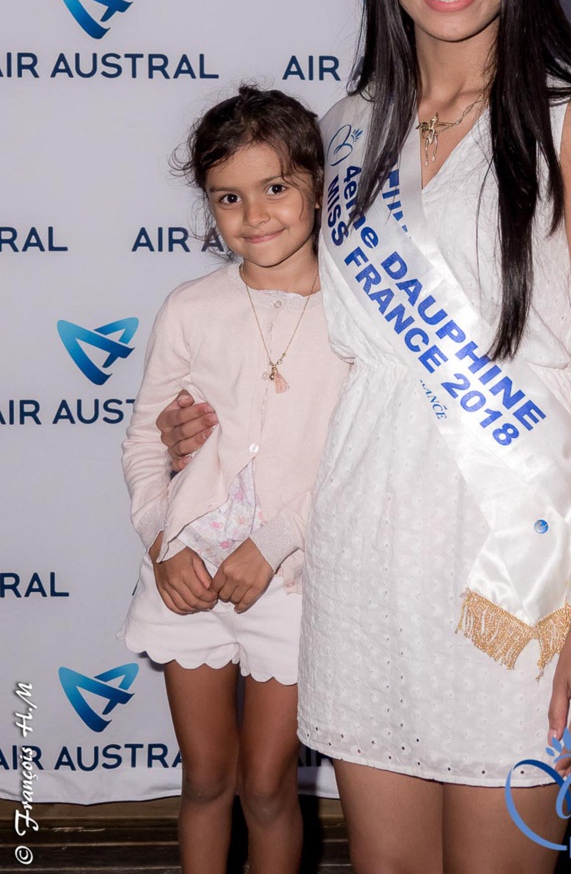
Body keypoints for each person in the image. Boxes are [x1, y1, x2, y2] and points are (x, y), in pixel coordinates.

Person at [159, 0, 571, 874]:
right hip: (366, 555)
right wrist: (204, 424)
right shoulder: (344, 132)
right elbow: (311, 335)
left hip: (512, 574)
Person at [119, 87, 350, 874]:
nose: (254, 214)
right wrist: (160, 542)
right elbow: (146, 442)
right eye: (228, 197)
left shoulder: (358, 315)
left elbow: (356, 465)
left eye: (275, 187)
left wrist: (275, 542)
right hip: (184, 579)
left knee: (265, 786)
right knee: (208, 777)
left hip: (287, 584)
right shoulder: (190, 307)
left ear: (317, 184)